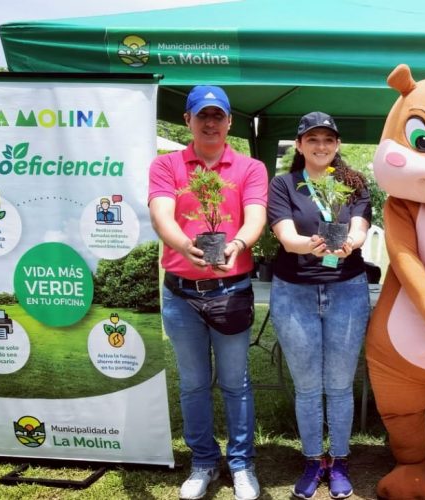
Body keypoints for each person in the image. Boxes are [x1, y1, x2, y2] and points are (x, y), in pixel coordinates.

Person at [148, 85, 266, 500]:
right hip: (181, 294)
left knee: (236, 383)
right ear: (188, 121)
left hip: (231, 288)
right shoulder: (167, 165)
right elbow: (161, 213)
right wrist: (184, 245)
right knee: (194, 383)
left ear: (230, 122)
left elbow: (255, 216)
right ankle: (203, 462)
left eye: (218, 115)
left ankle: (241, 464)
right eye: (203, 116)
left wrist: (238, 245)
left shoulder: (250, 167)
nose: (211, 123)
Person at [267, 111, 371, 499]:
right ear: (299, 145)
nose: (321, 146)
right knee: (308, 387)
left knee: (340, 385)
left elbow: (359, 226)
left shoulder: (354, 184)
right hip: (294, 293)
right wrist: (310, 245)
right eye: (312, 139)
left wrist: (352, 243)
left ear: (337, 144)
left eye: (328, 139)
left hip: (346, 289)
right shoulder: (284, 184)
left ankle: (340, 461)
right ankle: (313, 461)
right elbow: (286, 236)